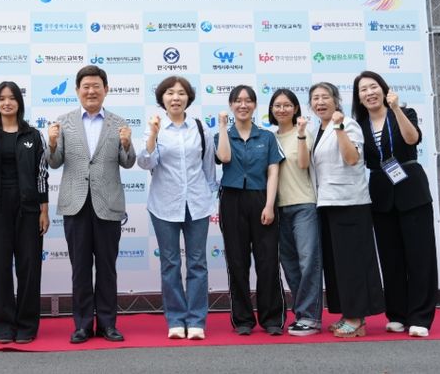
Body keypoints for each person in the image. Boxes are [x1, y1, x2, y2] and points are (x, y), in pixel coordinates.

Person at [47, 65, 136, 344]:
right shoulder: (64, 122)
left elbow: (128, 162)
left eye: (96, 86)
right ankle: (83, 325)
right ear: (77, 90)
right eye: (85, 86)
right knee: (80, 268)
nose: (91, 91)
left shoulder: (119, 123)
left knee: (107, 268)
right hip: (76, 204)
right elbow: (54, 162)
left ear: (106, 89)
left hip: (108, 204)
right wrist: (52, 143)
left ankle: (108, 324)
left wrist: (126, 144)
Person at [352, 71, 437, 337]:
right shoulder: (359, 126)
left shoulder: (404, 112)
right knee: (391, 258)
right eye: (363, 90)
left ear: (383, 89)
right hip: (380, 193)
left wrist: (396, 108)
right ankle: (397, 314)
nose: (369, 93)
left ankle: (420, 317)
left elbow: (412, 139)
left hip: (411, 189)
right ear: (359, 98)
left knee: (420, 256)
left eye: (373, 87)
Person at [137, 76, 218, 340]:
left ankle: (196, 320)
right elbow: (146, 163)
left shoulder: (200, 128)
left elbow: (208, 167)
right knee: (170, 263)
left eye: (181, 93)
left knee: (197, 264)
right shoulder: (155, 128)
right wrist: (153, 135)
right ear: (162, 98)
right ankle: (175, 319)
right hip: (164, 204)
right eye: (170, 93)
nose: (175, 97)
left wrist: (209, 196)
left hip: (197, 203)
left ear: (188, 98)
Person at [0, 81, 49, 344]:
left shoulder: (33, 135)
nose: (7, 103)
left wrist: (43, 209)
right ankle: (3, 325)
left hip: (28, 208)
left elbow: (41, 174)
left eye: (12, 98)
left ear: (19, 102)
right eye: (2, 98)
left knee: (29, 268)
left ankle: (27, 325)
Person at [309, 81, 384, 338]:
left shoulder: (348, 124)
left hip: (350, 202)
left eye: (325, 97)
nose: (320, 102)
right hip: (327, 203)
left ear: (336, 100)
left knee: (353, 263)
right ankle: (348, 313)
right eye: (315, 98)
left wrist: (339, 127)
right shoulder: (316, 130)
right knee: (338, 264)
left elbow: (352, 159)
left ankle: (357, 318)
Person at [215, 85, 285, 336]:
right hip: (232, 199)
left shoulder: (267, 137)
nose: (242, 105)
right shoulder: (222, 135)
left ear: (255, 105)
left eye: (248, 101)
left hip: (261, 198)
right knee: (237, 261)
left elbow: (273, 172)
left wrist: (269, 205)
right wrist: (223, 126)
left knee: (268, 261)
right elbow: (224, 158)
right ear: (231, 105)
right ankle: (243, 319)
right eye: (237, 100)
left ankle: (272, 318)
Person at [268, 89, 323, 336]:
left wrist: (300, 134)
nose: (282, 109)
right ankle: (303, 314)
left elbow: (302, 163)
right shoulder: (268, 138)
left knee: (308, 260)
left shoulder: (304, 133)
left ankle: (310, 317)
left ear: (296, 108)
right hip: (278, 208)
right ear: (271, 109)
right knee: (289, 263)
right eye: (277, 105)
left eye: (287, 105)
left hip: (303, 205)